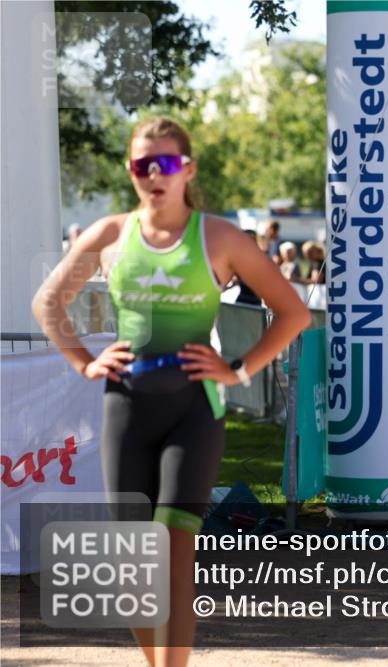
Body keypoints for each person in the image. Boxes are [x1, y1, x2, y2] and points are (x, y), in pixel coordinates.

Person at [31, 117, 310, 666]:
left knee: (176, 550)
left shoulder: (220, 237)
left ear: (188, 170)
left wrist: (238, 368)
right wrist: (86, 362)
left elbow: (293, 311)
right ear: (131, 172)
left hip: (193, 410)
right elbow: (48, 302)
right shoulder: (110, 234)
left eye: (167, 163)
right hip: (126, 407)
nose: (154, 175)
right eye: (142, 165)